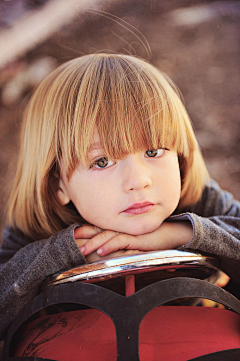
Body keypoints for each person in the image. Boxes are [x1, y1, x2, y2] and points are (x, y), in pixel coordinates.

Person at [0, 53, 240, 340]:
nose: (139, 181)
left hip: (195, 339)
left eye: (153, 152)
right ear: (57, 185)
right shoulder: (34, 232)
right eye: (102, 162)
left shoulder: (200, 200)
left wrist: (183, 232)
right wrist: (60, 254)